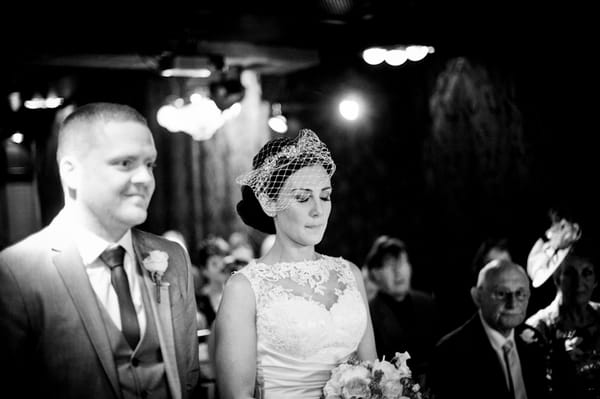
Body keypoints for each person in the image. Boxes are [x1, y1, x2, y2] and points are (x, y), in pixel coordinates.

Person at [0, 102, 199, 399]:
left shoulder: (172, 256)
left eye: (150, 164)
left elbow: (188, 375)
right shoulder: (16, 272)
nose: (145, 178)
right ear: (71, 172)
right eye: (125, 163)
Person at [213, 129, 377, 399]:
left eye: (325, 196)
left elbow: (372, 375)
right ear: (269, 202)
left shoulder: (350, 273)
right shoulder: (244, 288)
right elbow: (236, 394)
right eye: (303, 197)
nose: (318, 210)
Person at [428, 259, 549, 399]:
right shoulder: (450, 353)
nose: (512, 304)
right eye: (501, 294)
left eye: (520, 293)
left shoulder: (534, 339)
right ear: (478, 297)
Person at [525, 214, 600, 398]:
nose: (579, 283)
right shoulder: (537, 328)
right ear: (557, 278)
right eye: (570, 273)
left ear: (596, 280)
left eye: (587, 273)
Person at [364, 235, 440, 377]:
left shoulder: (427, 303)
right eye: (390, 265)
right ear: (375, 274)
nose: (398, 271)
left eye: (402, 262)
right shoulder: (369, 315)